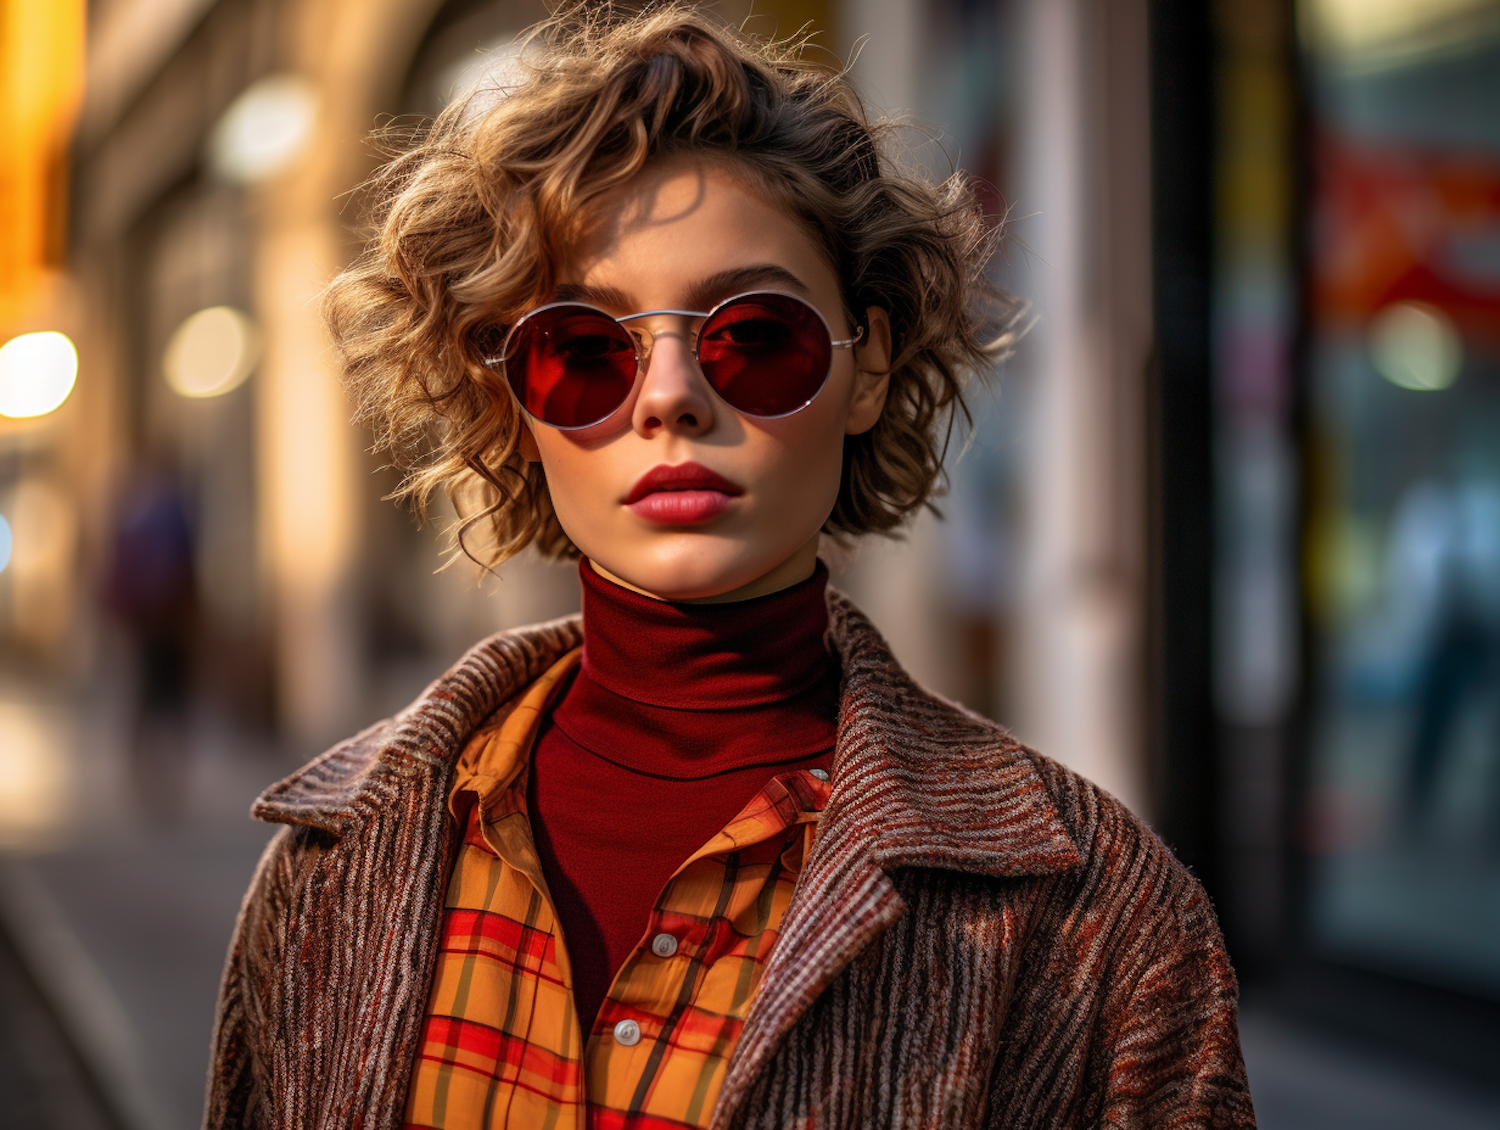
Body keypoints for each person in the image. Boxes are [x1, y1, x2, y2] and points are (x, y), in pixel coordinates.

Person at [205, 6, 1255, 1128]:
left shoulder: (1097, 919)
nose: (668, 397)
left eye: (754, 334)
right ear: (513, 405)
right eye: (583, 350)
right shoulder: (331, 870)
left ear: (869, 364)